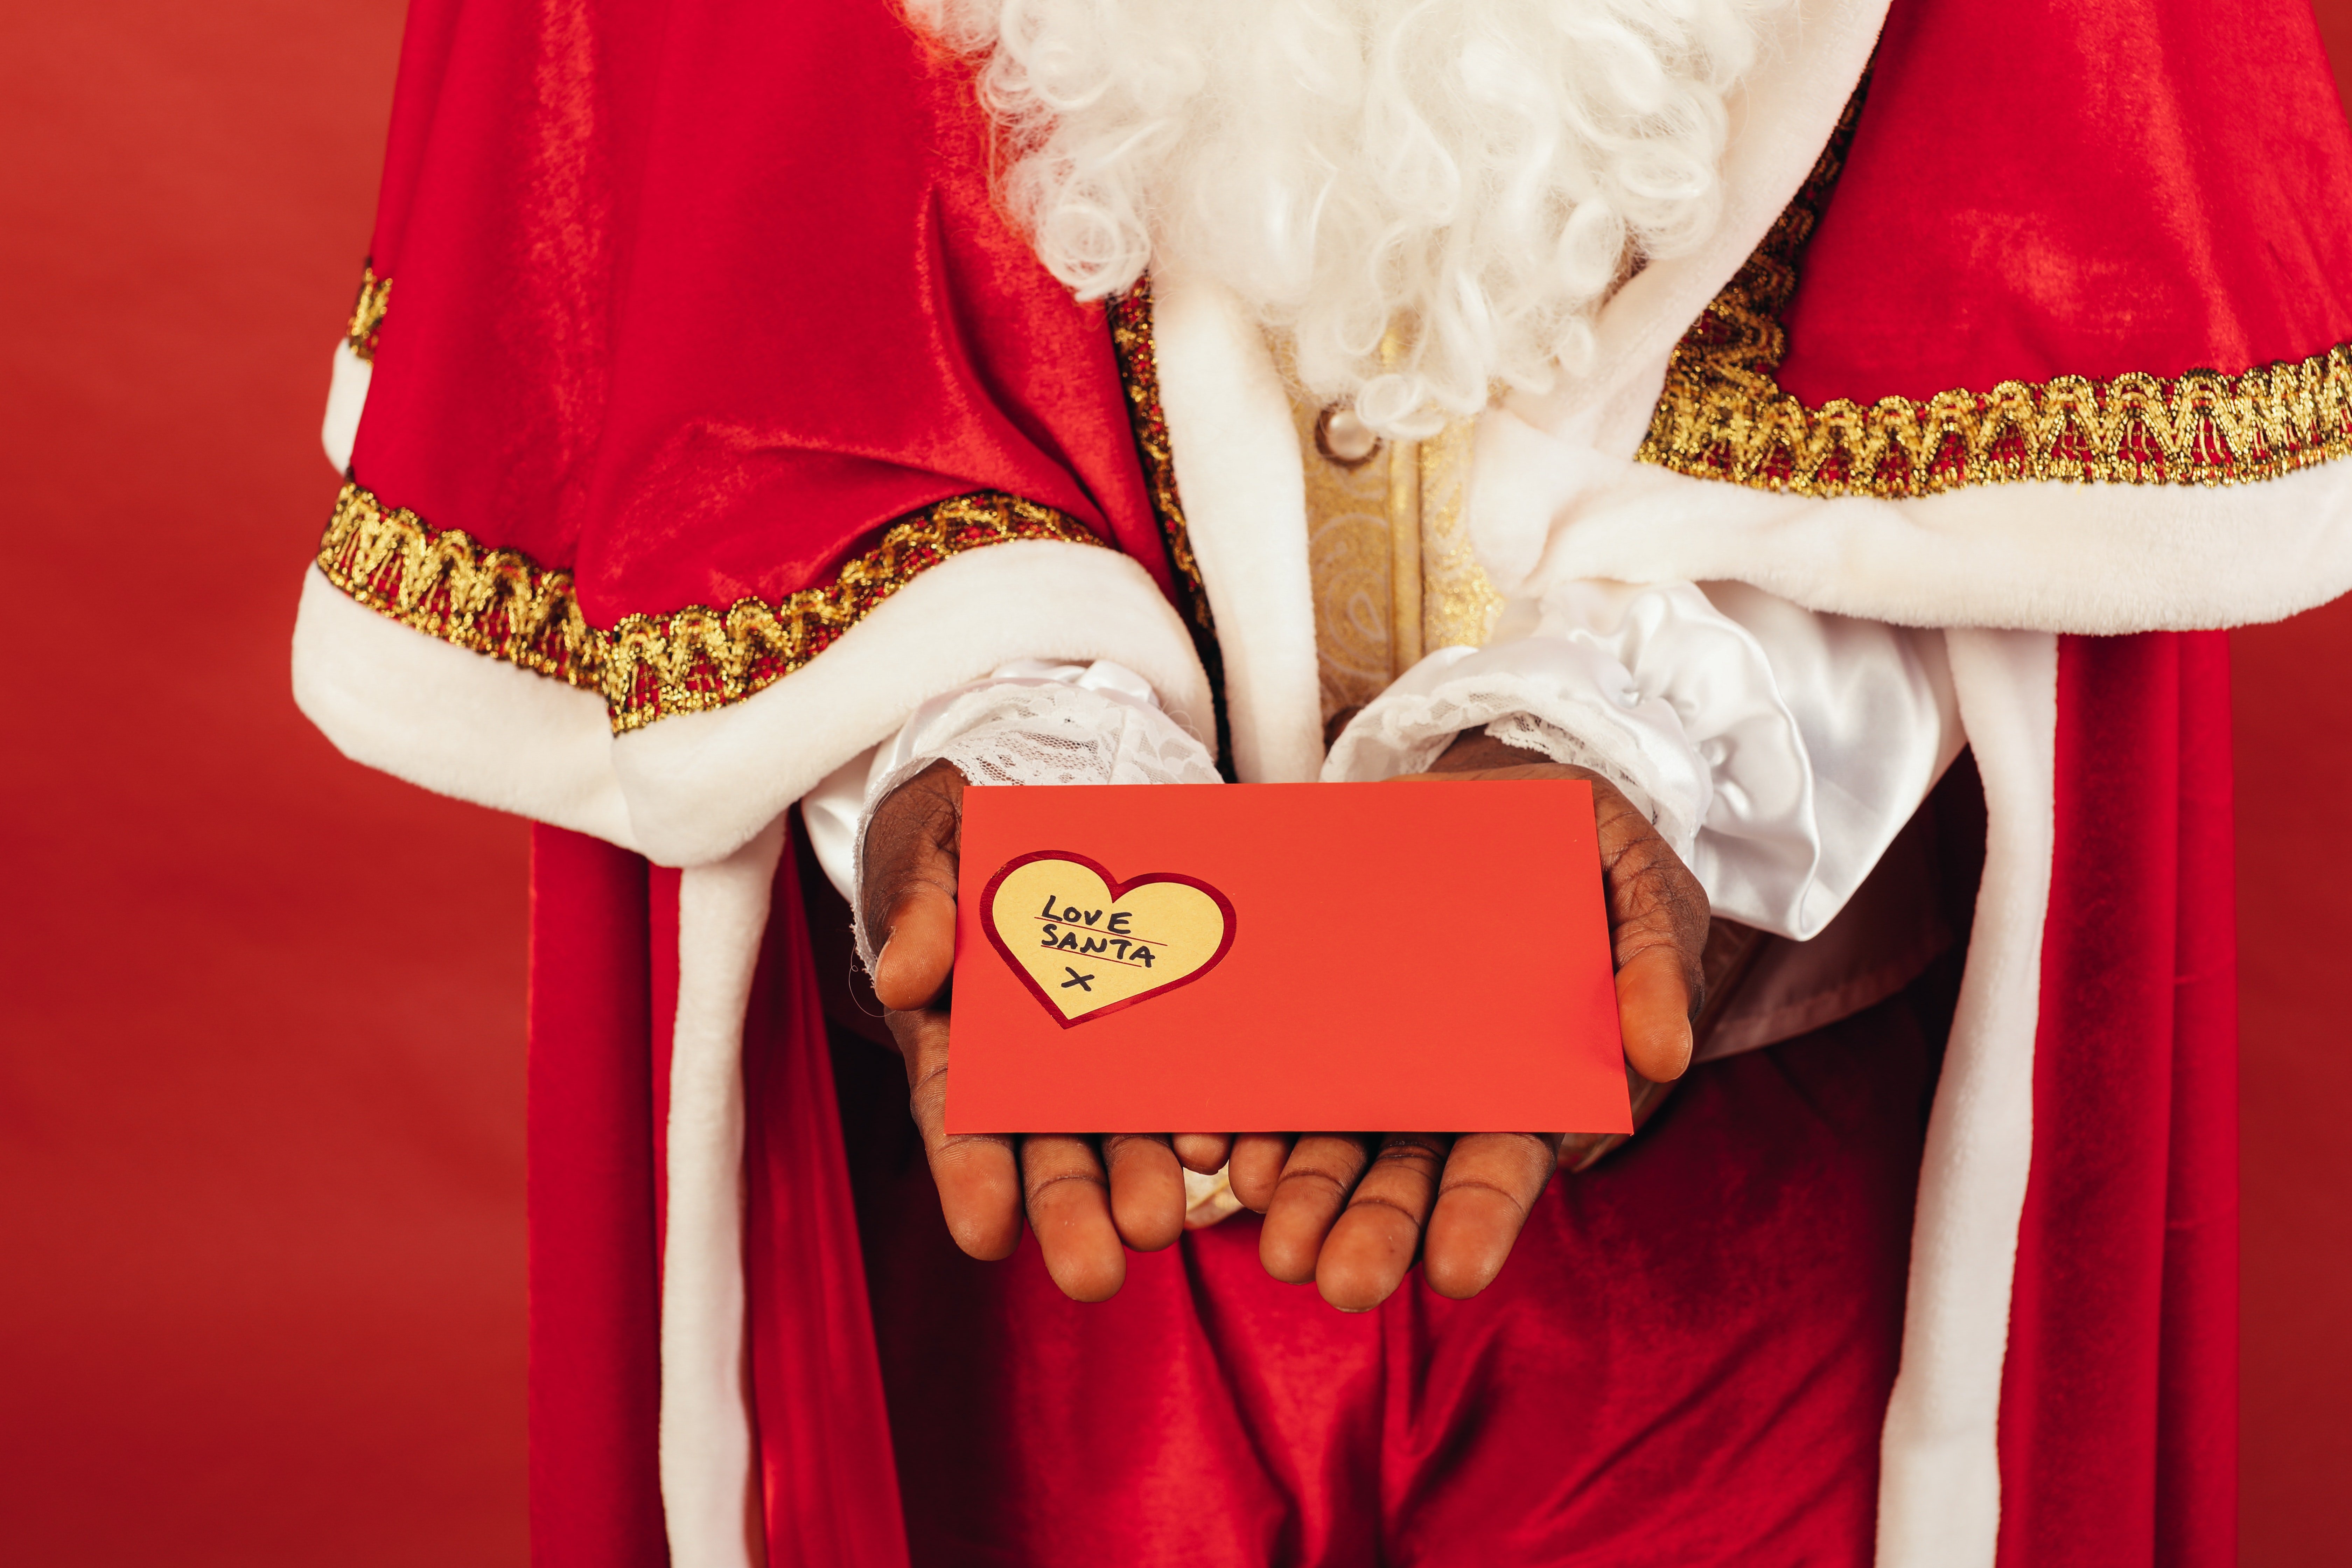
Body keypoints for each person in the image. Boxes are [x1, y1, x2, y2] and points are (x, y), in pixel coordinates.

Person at [292, 0, 2352, 1563]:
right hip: (1026, 1238)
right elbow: (717, 306)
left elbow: (2024, 311)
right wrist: (975, 732)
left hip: (1760, 1217)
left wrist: (1661, 746)